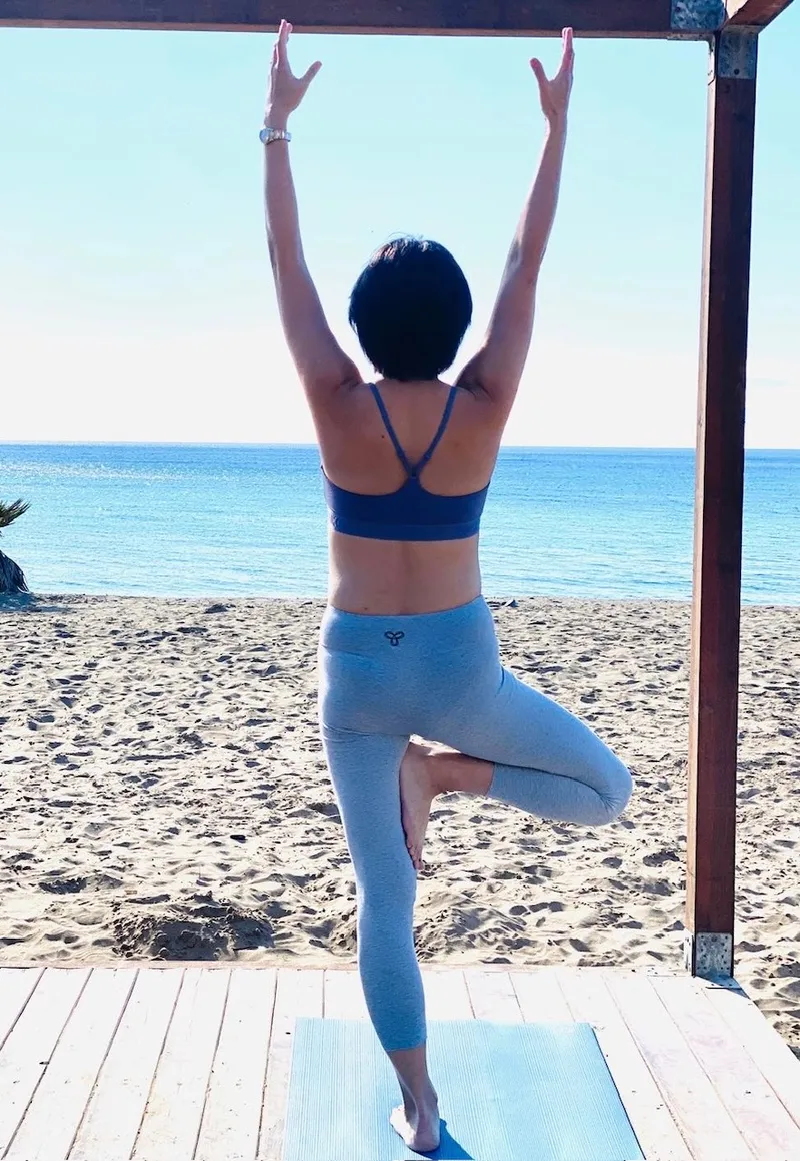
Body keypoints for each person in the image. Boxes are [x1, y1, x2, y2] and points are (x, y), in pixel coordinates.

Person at [263, 20, 632, 1155]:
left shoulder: (335, 400)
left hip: (357, 679)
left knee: (388, 902)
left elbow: (290, 267)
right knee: (603, 794)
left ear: (367, 331)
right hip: (461, 670)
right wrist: (554, 130)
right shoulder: (483, 408)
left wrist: (275, 126)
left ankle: (419, 1112)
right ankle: (452, 774)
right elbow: (527, 261)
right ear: (457, 324)